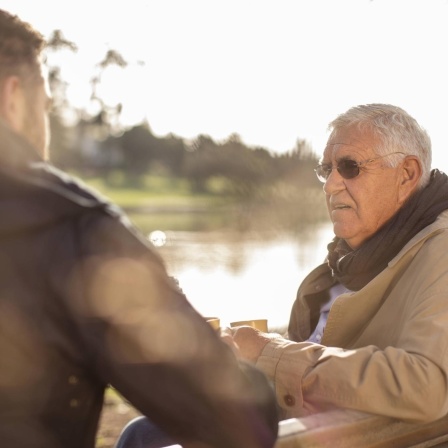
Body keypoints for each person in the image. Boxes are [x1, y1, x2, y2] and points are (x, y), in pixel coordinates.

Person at [0, 9, 278, 448]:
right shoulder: (72, 227)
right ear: (12, 99)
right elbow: (234, 420)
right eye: (45, 107)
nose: (45, 127)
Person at [229, 103, 448, 423]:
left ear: (407, 175)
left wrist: (269, 352)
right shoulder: (347, 259)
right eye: (326, 169)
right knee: (146, 429)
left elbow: (427, 385)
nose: (330, 185)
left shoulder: (440, 250)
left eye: (350, 167)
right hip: (300, 428)